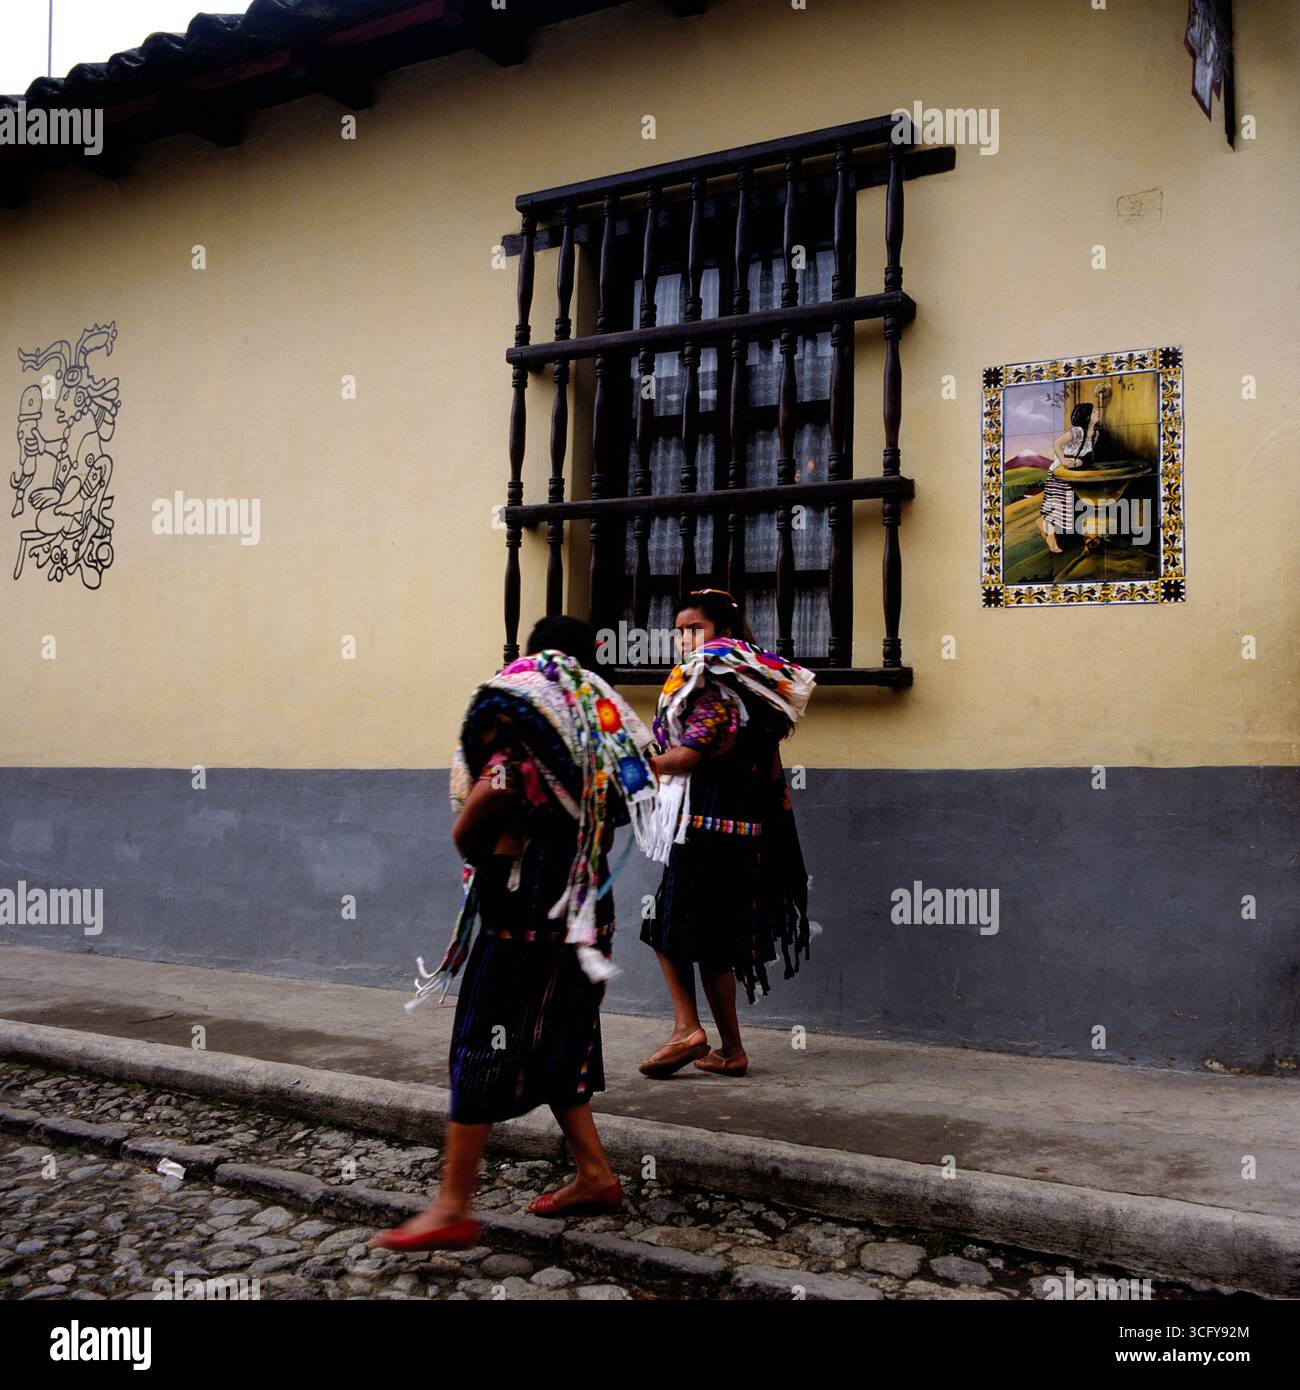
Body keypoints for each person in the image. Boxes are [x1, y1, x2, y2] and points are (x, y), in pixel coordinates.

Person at [370, 616, 657, 1251]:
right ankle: (595, 1174)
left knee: (482, 1041)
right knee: (561, 1038)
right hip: (583, 920)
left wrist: (483, 845)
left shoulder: (516, 744)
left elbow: (467, 825)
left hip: (520, 918)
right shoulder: (594, 742)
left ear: (529, 665)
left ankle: (451, 1205)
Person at [638, 589, 814, 1080]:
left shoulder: (713, 689)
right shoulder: (751, 687)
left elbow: (688, 756)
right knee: (712, 945)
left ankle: (686, 1030)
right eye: (679, 631)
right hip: (741, 834)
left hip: (706, 832)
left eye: (695, 629)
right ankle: (731, 1051)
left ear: (724, 633)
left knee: (664, 930)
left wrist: (635, 766)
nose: (685, 640)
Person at [1037, 402, 1098, 555]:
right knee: (1057, 506)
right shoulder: (1076, 431)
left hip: (1071, 471)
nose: (1098, 412)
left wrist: (1080, 461)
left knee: (1064, 507)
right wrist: (1064, 461)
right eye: (1095, 411)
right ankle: (1051, 538)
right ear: (1088, 416)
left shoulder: (1095, 433)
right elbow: (1056, 444)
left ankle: (1042, 523)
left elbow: (1084, 452)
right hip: (1059, 471)